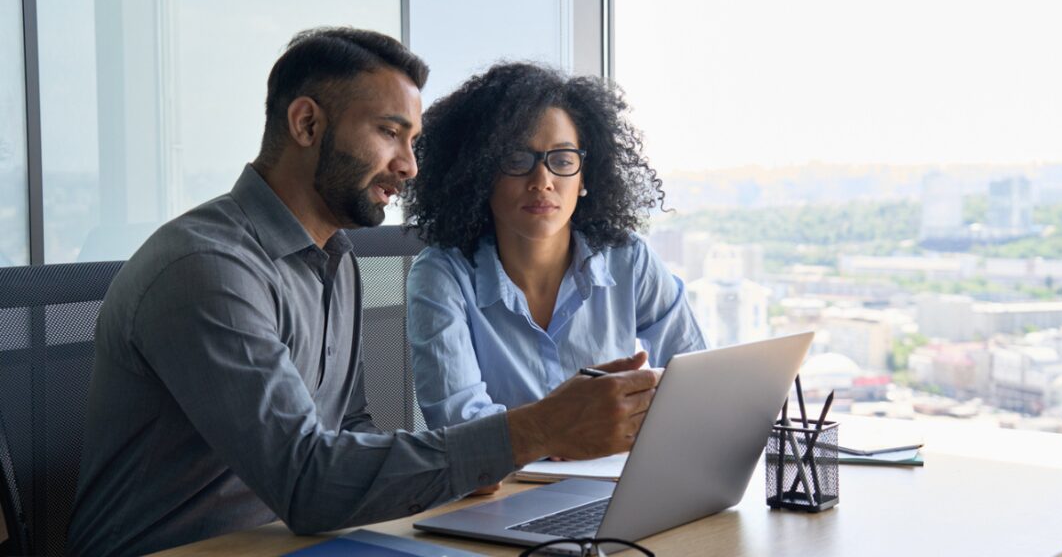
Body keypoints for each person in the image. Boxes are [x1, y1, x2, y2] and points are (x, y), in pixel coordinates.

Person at [67, 28, 659, 556]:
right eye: (389, 133)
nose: (410, 166)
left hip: (302, 541)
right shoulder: (207, 268)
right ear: (307, 124)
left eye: (413, 140)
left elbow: (349, 430)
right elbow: (306, 483)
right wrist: (534, 430)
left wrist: (468, 460)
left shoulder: (336, 258)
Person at [404, 63, 706, 435]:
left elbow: (696, 378)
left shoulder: (628, 258)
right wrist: (571, 431)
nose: (542, 181)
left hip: (615, 479)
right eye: (517, 160)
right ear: (481, 173)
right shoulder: (442, 275)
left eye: (562, 161)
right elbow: (461, 427)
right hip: (503, 488)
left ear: (583, 178)